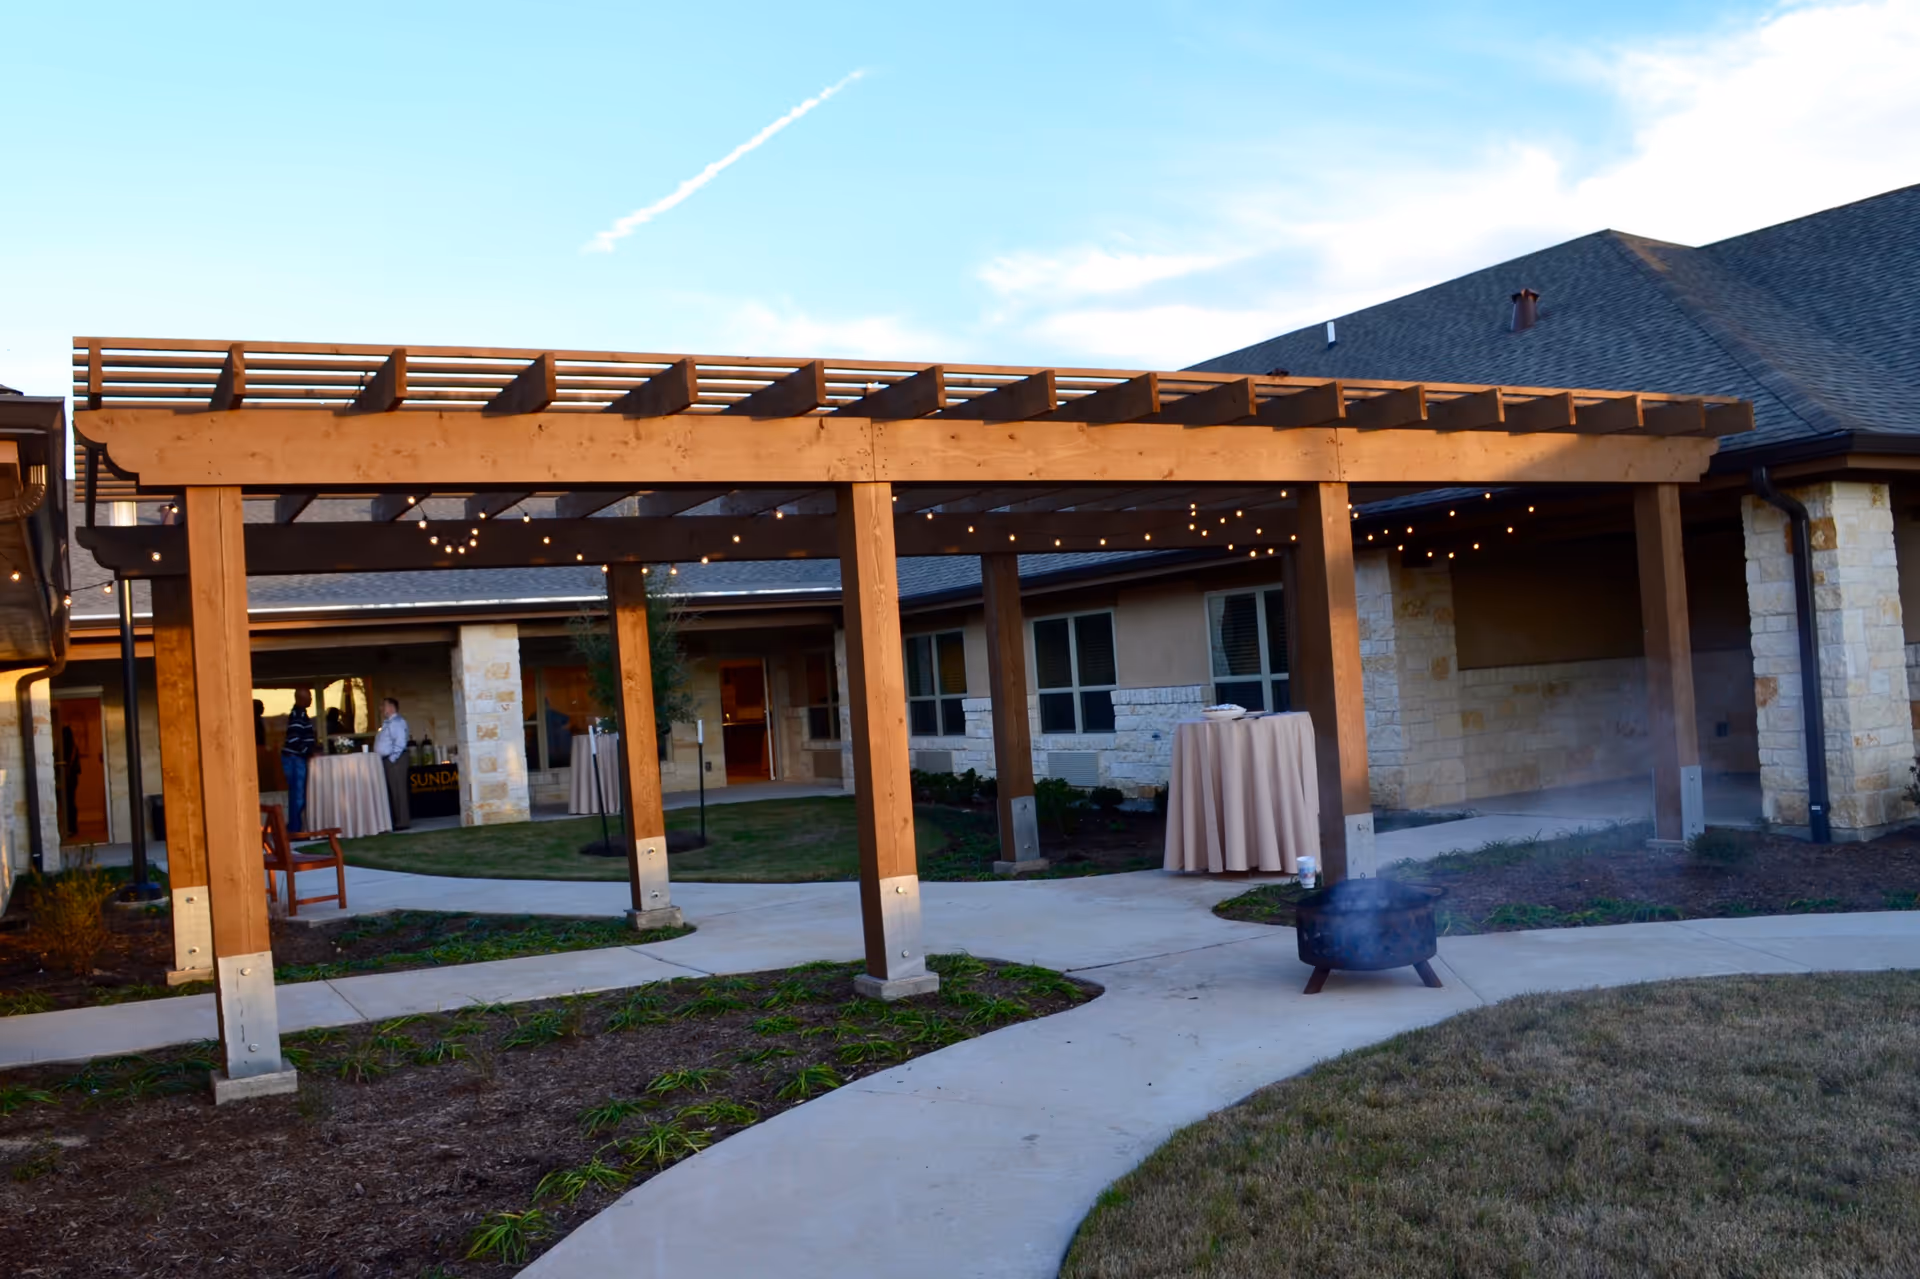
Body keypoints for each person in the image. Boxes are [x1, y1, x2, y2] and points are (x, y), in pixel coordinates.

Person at [374, 697, 411, 831]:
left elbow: (400, 741)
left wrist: (392, 758)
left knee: (398, 790)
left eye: (383, 706)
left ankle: (402, 821)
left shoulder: (397, 722)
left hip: (396, 760)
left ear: (391, 707)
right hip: (388, 760)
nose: (381, 709)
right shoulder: (387, 723)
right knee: (392, 791)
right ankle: (395, 820)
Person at [283, 689, 317, 833]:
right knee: (298, 796)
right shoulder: (298, 715)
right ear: (301, 699)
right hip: (294, 759)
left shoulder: (301, 714)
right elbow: (294, 739)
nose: (311, 700)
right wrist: (309, 752)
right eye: (309, 697)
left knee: (298, 795)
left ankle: (295, 828)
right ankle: (294, 831)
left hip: (296, 758)